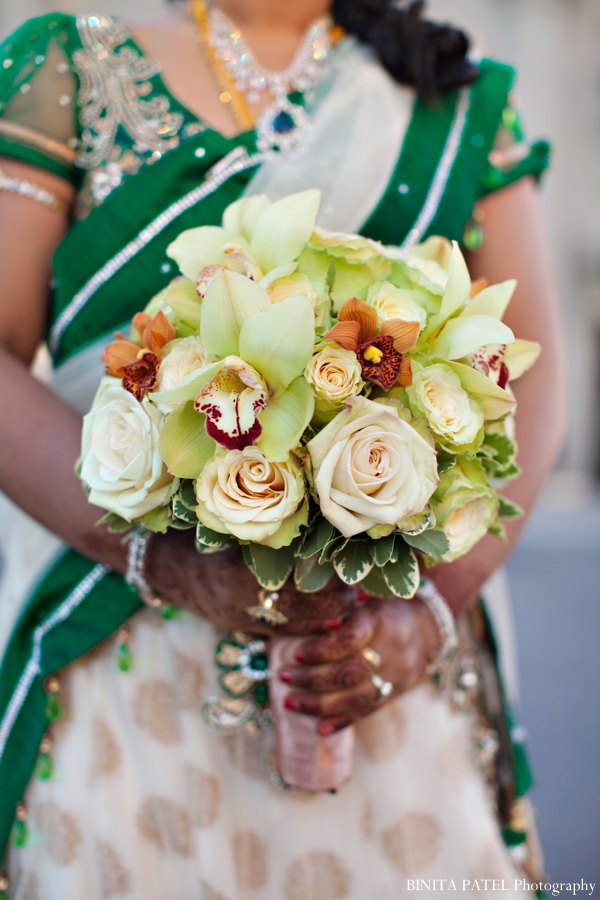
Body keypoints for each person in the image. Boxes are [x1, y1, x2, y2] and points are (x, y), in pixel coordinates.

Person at [0, 0, 565, 897]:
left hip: (373, 660)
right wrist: (166, 561)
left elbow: (531, 374)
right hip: (118, 648)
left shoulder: (452, 98)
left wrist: (428, 613)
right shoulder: (71, 67)